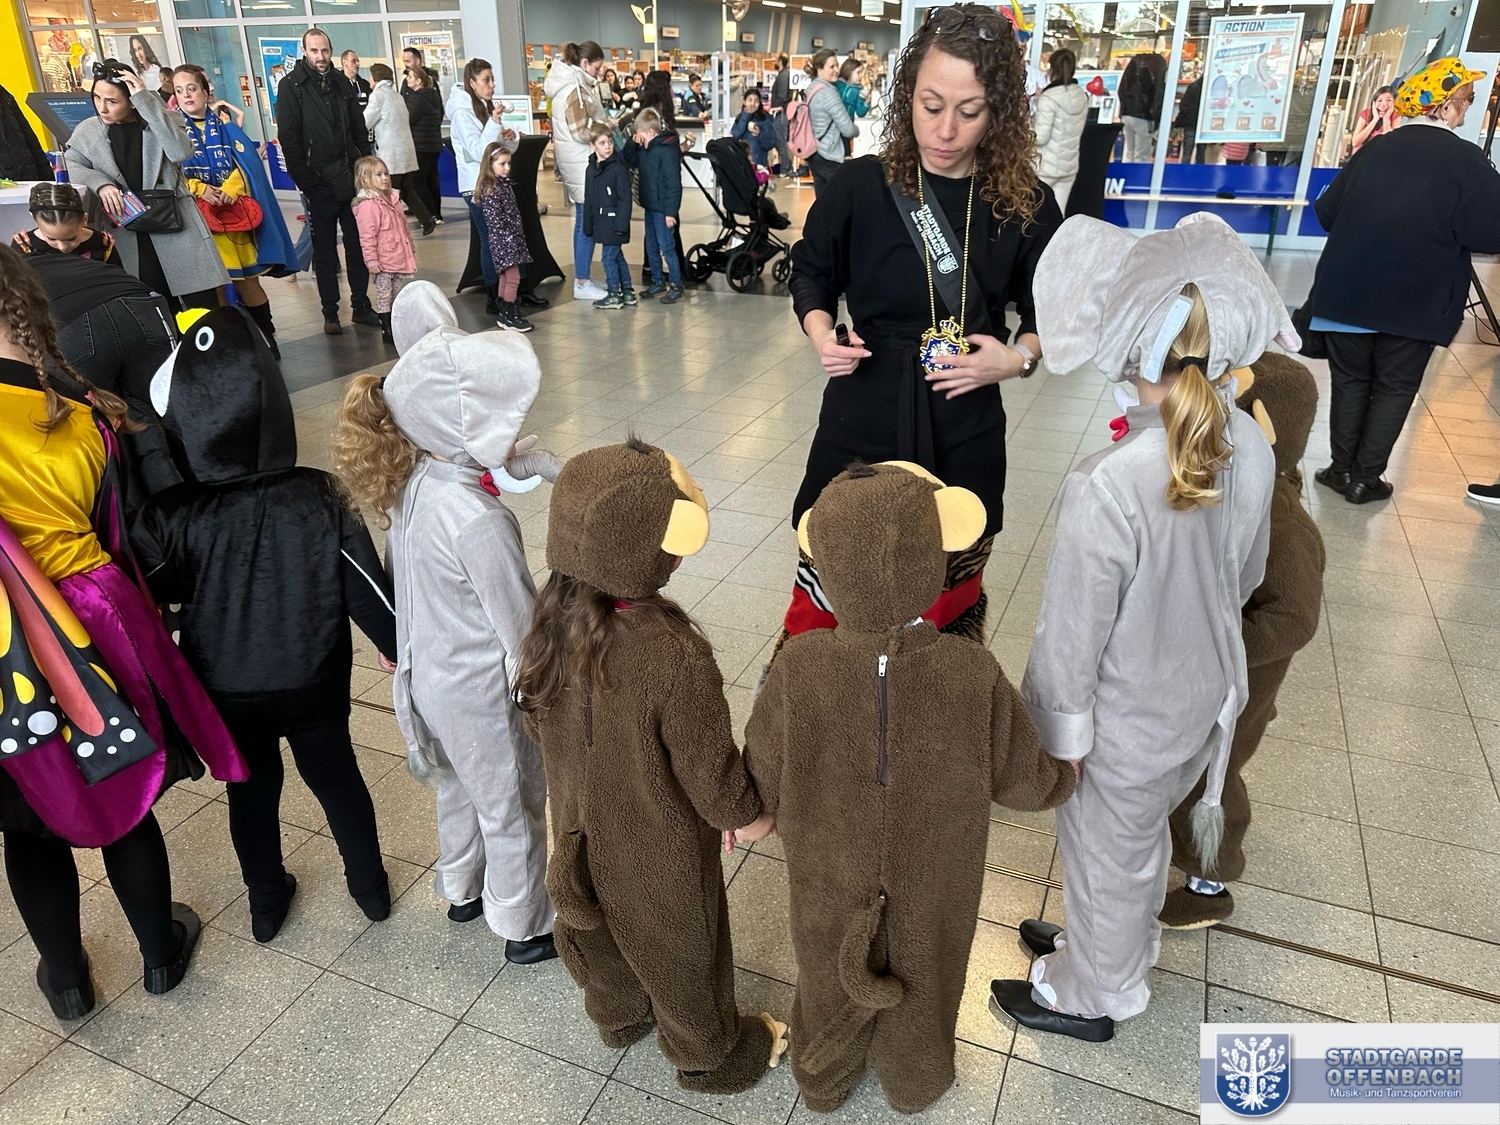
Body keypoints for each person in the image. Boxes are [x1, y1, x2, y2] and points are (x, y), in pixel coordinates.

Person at [991, 212, 1286, 1041]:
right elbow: (1250, 573)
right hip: (1204, 695)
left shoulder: (1109, 481)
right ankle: (1115, 941)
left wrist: (1056, 737)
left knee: (1104, 850)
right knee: (1142, 832)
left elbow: (1069, 640)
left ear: (1127, 347)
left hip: (1124, 716)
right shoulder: (1249, 443)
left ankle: (1094, 988)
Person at [744, 462, 1074, 1113]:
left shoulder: (798, 666)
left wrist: (748, 812)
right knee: (930, 970)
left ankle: (822, 1075)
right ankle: (914, 1078)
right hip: (938, 872)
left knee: (825, 965)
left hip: (826, 866)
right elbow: (1024, 778)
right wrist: (1062, 776)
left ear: (825, 567)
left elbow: (761, 766)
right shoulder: (972, 670)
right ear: (936, 563)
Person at [0, 245, 246, 1019]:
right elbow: (122, 526)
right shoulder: (82, 409)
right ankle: (160, 951)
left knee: (26, 820)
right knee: (123, 788)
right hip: (97, 610)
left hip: (8, 646)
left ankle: (67, 979)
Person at [783, 4, 1060, 650]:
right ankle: (817, 702)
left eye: (970, 111)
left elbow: (1053, 307)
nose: (946, 130)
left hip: (963, 421)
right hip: (862, 414)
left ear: (999, 113)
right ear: (907, 94)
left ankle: (936, 706)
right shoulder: (860, 186)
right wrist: (823, 333)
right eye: (930, 105)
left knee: (948, 608)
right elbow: (811, 271)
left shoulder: (1023, 203)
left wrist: (1017, 357)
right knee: (829, 596)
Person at [514, 438, 786, 1093]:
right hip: (657, 846)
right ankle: (711, 1056)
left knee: (594, 926)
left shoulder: (549, 623)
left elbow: (536, 721)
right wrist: (747, 816)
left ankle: (621, 1017)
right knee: (682, 948)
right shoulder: (674, 654)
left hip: (574, 831)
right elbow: (708, 767)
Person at [133, 304, 397, 943]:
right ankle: (369, 889)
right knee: (337, 778)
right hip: (314, 679)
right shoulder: (320, 492)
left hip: (226, 688)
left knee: (251, 794)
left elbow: (156, 588)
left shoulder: (172, 513)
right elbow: (366, 591)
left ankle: (266, 903)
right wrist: (399, 647)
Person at [334, 281, 558, 959]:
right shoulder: (479, 521)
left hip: (428, 675)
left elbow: (406, 579)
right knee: (511, 803)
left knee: (457, 788)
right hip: (480, 693)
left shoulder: (414, 484)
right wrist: (550, 691)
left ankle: (462, 888)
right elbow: (521, 628)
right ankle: (523, 925)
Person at [1162, 352, 1325, 929]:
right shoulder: (1244, 489)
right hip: (1213, 674)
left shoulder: (1281, 516)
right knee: (1189, 766)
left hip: (1238, 684)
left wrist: (1217, 651)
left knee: (1212, 775)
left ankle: (1209, 880)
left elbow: (1293, 617)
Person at [1305, 58, 1500, 506]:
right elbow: (1491, 233)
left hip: (1347, 291)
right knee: (1394, 387)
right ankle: (1365, 480)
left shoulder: (1376, 149)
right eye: (1468, 100)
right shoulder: (1467, 161)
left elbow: (1327, 212)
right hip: (1417, 300)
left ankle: (1340, 469)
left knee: (1350, 381)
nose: (1469, 109)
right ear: (1445, 107)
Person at [65, 62, 228, 311]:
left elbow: (181, 152)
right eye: (97, 98)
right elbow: (70, 164)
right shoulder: (89, 130)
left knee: (203, 307)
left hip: (174, 223)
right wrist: (101, 184)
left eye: (112, 101)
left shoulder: (162, 120)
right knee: (154, 306)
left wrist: (145, 100)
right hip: (129, 229)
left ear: (131, 101)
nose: (102, 107)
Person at [27, 249, 180, 511]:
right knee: (168, 410)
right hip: (142, 303)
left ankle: (134, 513)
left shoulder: (14, 275)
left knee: (95, 426)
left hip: (72, 322)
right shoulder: (54, 261)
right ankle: (193, 497)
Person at [172, 64, 297, 357]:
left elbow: (246, 165)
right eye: (179, 91)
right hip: (201, 223)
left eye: (192, 88)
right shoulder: (173, 131)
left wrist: (230, 188)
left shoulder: (226, 127)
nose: (186, 95)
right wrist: (200, 188)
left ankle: (266, 337)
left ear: (205, 92)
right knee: (216, 286)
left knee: (248, 282)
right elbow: (172, 173)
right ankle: (230, 344)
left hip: (233, 219)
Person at [276, 28, 379, 336]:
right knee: (325, 252)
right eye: (314, 51)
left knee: (357, 246)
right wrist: (305, 181)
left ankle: (361, 305)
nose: (320, 56)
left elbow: (358, 128)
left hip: (350, 177)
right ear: (305, 51)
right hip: (318, 182)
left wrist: (363, 167)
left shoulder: (342, 83)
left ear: (331, 51)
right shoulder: (291, 86)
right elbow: (289, 137)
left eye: (324, 50)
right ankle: (330, 311)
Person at [446, 58, 517, 316]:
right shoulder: (462, 113)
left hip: (493, 183)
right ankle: (493, 295)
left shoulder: (483, 108)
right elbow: (479, 151)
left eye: (492, 79)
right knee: (490, 240)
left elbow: (498, 151)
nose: (492, 85)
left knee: (502, 237)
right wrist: (494, 124)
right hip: (475, 186)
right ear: (472, 83)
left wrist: (510, 138)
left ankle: (509, 292)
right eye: (486, 80)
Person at [545, 41, 610, 301]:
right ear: (584, 63)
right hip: (580, 161)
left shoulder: (569, 85)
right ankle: (582, 282)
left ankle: (583, 277)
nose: (600, 71)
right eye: (597, 66)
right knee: (586, 222)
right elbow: (581, 131)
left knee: (584, 220)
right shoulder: (574, 89)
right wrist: (605, 128)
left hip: (575, 160)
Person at [364, 62, 435, 235]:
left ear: (375, 78)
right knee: (408, 190)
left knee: (389, 194)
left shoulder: (377, 96)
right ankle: (426, 220)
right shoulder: (397, 96)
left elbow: (365, 121)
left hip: (391, 154)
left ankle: (394, 229)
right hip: (406, 151)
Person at [352, 155, 417, 342]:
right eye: (378, 174)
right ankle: (387, 329)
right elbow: (367, 237)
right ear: (365, 179)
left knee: (397, 293)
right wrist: (371, 260)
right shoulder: (367, 205)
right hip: (382, 260)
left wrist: (410, 246)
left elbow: (403, 227)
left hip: (398, 255)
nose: (384, 178)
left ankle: (397, 325)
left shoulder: (394, 199)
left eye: (386, 174)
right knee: (384, 295)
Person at [622, 108, 683, 304]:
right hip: (650, 205)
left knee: (667, 247)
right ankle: (657, 281)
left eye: (639, 133)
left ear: (650, 132)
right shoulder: (645, 149)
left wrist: (670, 212)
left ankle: (676, 285)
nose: (637, 136)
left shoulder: (666, 152)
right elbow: (630, 158)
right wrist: (632, 142)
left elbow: (673, 185)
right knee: (651, 246)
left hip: (663, 210)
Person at [475, 140, 534, 332]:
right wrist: (510, 241)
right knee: (514, 278)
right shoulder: (492, 189)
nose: (507, 168)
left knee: (505, 277)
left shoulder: (503, 185)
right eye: (502, 164)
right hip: (505, 242)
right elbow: (495, 222)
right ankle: (510, 315)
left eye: (508, 163)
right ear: (490, 164)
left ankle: (504, 312)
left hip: (509, 240)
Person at [583, 124, 633, 310]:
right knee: (617, 256)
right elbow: (588, 198)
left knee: (607, 258)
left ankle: (614, 293)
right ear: (593, 145)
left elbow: (625, 199)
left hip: (614, 222)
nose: (607, 146)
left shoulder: (618, 169)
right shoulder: (591, 169)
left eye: (610, 142)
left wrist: (621, 225)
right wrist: (588, 224)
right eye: (602, 143)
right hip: (601, 222)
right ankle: (627, 291)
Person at [1032, 47, 1087, 215]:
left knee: (1034, 213)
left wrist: (1026, 127)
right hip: (1069, 165)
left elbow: (1040, 137)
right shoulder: (1081, 95)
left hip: (1044, 167)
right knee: (1058, 215)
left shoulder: (1048, 98)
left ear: (1051, 69)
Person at [12, 181, 118, 263]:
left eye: (71, 238)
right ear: (36, 221)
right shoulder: (23, 244)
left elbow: (117, 278)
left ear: (84, 220)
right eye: (52, 239)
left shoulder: (102, 243)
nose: (63, 247)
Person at [803, 50, 858, 195]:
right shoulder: (829, 93)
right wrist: (857, 130)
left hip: (814, 152)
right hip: (830, 154)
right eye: (831, 67)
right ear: (820, 70)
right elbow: (847, 129)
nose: (836, 70)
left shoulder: (812, 88)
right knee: (839, 201)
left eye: (837, 65)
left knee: (821, 200)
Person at [402, 63, 445, 223]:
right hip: (434, 144)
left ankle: (430, 214)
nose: (407, 79)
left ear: (418, 81)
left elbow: (408, 119)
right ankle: (437, 214)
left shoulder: (418, 98)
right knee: (432, 180)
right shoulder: (434, 95)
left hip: (421, 145)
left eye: (410, 77)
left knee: (418, 182)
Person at [1118, 51, 1166, 162]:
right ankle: (1138, 173)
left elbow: (1121, 91)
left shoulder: (1131, 72)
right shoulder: (1155, 75)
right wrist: (1156, 118)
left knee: (1129, 153)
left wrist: (1123, 110)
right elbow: (1158, 97)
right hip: (1144, 118)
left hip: (1127, 114)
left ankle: (1128, 172)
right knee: (1141, 155)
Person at [0, 82, 53, 180]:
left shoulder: (4, 95)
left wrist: (48, 181)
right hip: (9, 185)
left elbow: (30, 141)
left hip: (28, 181)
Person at [731, 89, 777, 171]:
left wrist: (759, 134)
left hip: (759, 164)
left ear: (759, 103)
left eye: (756, 101)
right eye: (750, 100)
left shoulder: (765, 119)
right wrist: (746, 116)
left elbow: (770, 143)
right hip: (742, 163)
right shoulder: (740, 118)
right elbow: (736, 135)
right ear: (744, 102)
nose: (752, 104)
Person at [835, 59, 870, 156]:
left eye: (861, 72)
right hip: (833, 126)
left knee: (845, 153)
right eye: (858, 72)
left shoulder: (859, 90)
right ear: (849, 71)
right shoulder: (837, 84)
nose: (861, 75)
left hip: (846, 126)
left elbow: (860, 112)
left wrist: (866, 102)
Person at [768, 53, 795, 176]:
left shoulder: (783, 77)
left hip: (781, 113)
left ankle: (785, 168)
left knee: (780, 141)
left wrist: (775, 107)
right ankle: (786, 165)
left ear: (780, 62)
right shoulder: (783, 75)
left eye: (776, 59)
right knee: (778, 140)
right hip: (780, 112)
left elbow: (782, 96)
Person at [1351, 85, 1396, 155]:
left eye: (1389, 100)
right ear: (1373, 103)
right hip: (1362, 156)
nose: (1384, 104)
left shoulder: (1395, 115)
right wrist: (1375, 120)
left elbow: (1391, 143)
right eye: (1379, 100)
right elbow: (1355, 142)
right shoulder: (1366, 114)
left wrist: (1386, 119)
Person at [1173, 73, 1203, 163]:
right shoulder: (1209, 89)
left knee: (1187, 152)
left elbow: (1184, 105)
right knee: (1201, 153)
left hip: (1190, 122)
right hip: (1203, 125)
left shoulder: (1192, 87)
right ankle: (1200, 170)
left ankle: (1184, 170)